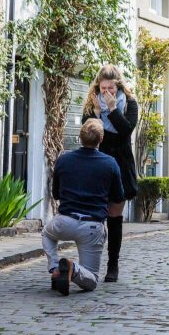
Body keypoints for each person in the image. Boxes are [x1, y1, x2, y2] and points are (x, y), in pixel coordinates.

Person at [43, 119, 124, 295]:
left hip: (64, 221)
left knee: (47, 234)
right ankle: (73, 269)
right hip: (92, 226)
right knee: (91, 280)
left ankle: (55, 268)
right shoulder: (110, 163)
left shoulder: (64, 160)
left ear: (80, 137)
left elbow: (56, 194)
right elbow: (118, 197)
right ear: (101, 139)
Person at [81, 64, 138, 283]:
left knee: (114, 218)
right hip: (97, 164)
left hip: (121, 165)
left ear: (118, 86)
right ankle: (89, 263)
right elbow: (88, 135)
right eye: (103, 88)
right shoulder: (92, 104)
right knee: (94, 216)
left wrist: (113, 110)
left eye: (111, 89)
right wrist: (96, 114)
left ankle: (112, 264)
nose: (107, 93)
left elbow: (125, 131)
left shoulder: (129, 104)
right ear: (98, 86)